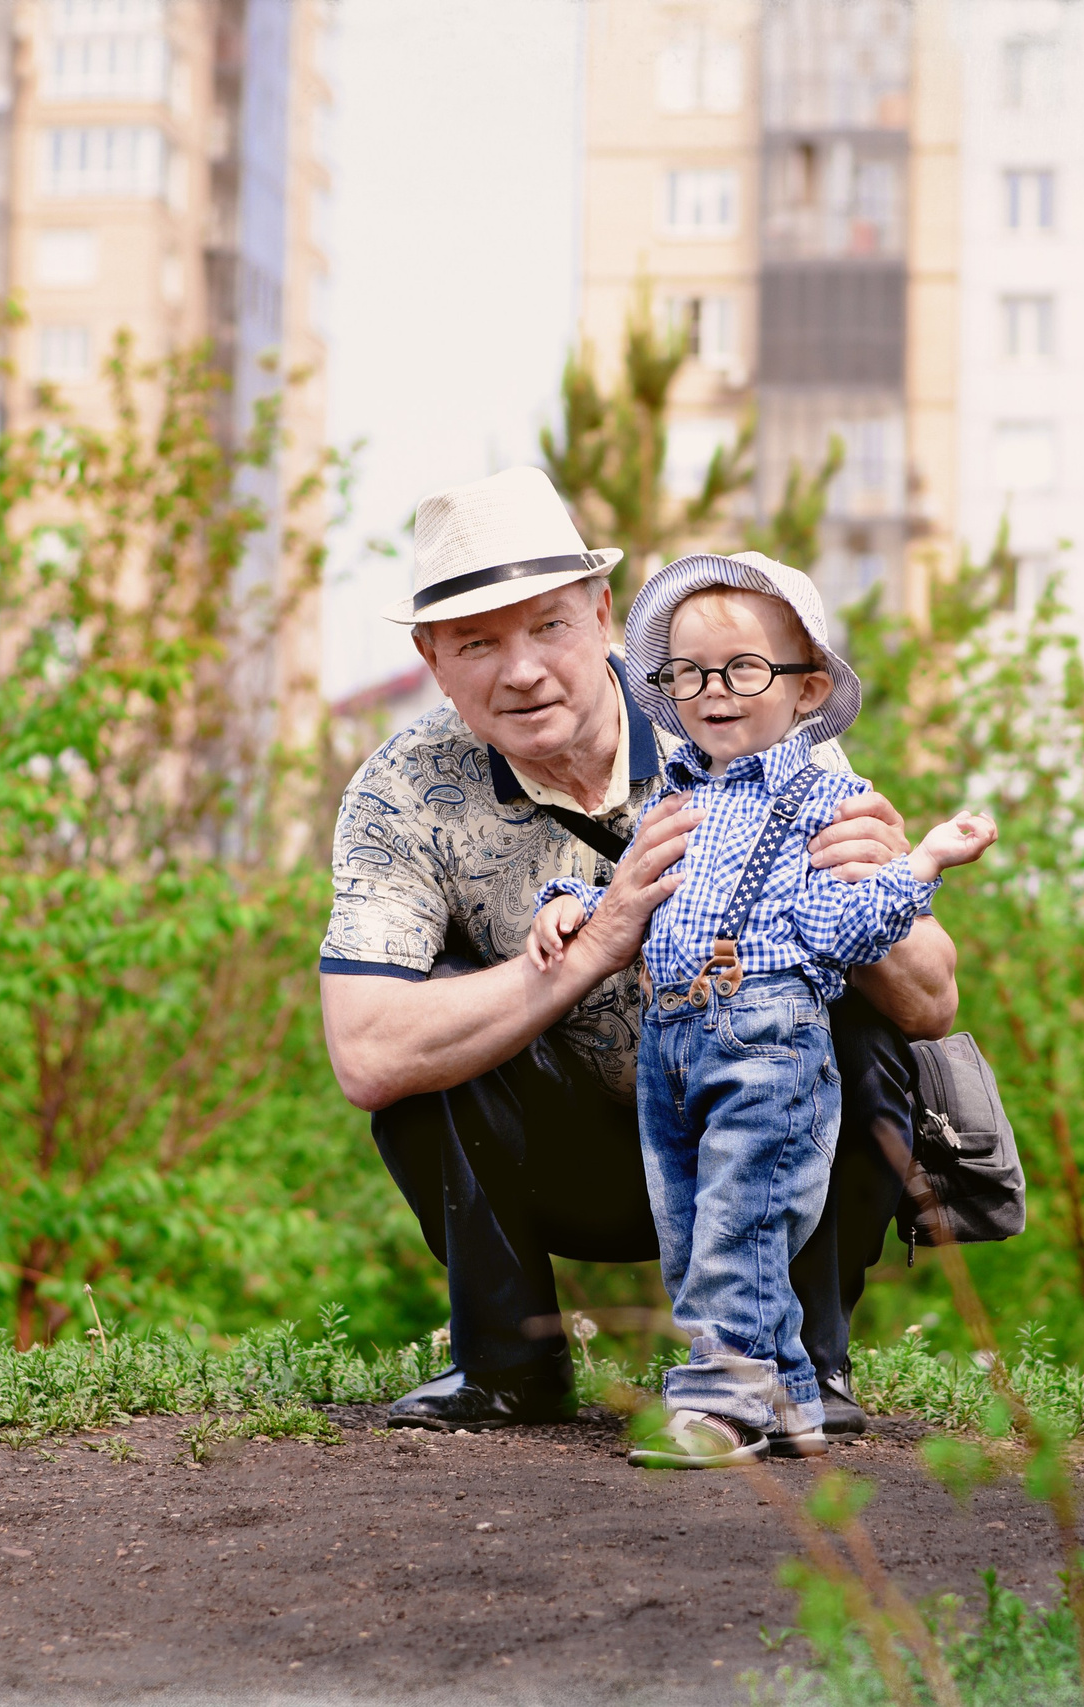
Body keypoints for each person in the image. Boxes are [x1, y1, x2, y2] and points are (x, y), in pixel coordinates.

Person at [318, 466, 963, 1434]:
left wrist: (866, 884)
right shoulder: (398, 791)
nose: (522, 670)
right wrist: (594, 945)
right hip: (567, 1164)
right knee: (432, 1018)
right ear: (432, 657)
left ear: (601, 613)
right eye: (478, 642)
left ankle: (799, 1367)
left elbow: (931, 1005)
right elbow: (366, 1052)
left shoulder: (742, 713)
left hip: (762, 1131)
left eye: (548, 625)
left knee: (860, 1021)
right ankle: (508, 1366)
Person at [529, 556, 996, 1467]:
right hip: (672, 1045)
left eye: (743, 670)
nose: (714, 692)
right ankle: (787, 1398)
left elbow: (840, 926)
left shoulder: (824, 802)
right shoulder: (679, 795)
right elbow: (637, 891)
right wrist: (571, 905)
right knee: (693, 1227)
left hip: (767, 1038)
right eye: (690, 673)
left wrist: (920, 865)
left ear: (806, 688)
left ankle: (720, 1403)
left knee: (740, 1225)